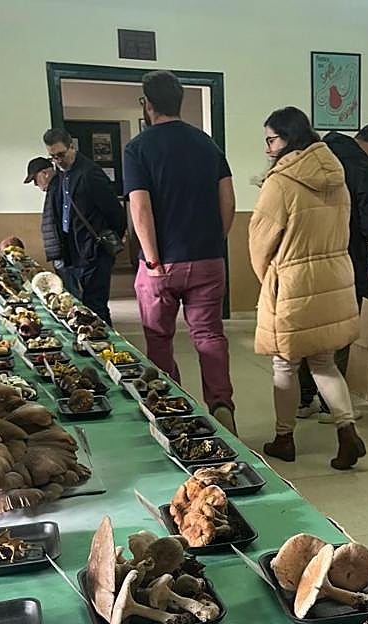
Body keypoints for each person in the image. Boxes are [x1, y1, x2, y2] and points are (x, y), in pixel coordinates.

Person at [250, 107, 366, 470]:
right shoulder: (336, 176)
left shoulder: (280, 182)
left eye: (272, 139)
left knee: (284, 363)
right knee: (323, 360)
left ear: (289, 138)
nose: (268, 148)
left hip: (294, 280)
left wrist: (267, 277)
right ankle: (347, 431)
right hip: (334, 276)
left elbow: (260, 240)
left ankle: (284, 438)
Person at [124, 70, 237, 433]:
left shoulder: (138, 148)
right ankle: (221, 404)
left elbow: (139, 208)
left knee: (159, 338)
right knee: (209, 335)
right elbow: (228, 200)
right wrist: (214, 241)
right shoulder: (208, 145)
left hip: (163, 263)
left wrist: (153, 259)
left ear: (147, 104)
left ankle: (172, 408)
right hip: (208, 258)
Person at [297, 123, 368, 421]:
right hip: (347, 260)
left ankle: (303, 400)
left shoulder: (316, 155)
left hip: (309, 259)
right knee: (340, 332)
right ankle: (331, 405)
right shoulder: (365, 168)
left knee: (311, 330)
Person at [41, 128, 126, 324]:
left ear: (72, 147)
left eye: (61, 155)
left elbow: (115, 213)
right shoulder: (62, 175)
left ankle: (106, 348)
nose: (58, 160)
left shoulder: (90, 173)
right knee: (81, 306)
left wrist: (106, 240)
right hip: (73, 249)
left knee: (95, 306)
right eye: (53, 157)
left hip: (94, 249)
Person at [23, 157, 61, 268]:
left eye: (35, 179)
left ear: (45, 173)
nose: (35, 184)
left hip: (64, 254)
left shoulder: (57, 189)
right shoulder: (54, 189)